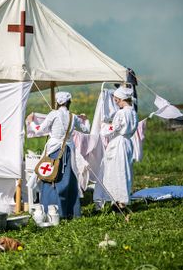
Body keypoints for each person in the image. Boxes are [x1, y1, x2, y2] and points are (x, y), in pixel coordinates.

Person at [27, 91, 90, 219]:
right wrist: (86, 120)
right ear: (69, 102)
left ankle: (53, 212)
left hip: (54, 151)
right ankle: (71, 211)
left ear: (57, 102)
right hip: (68, 151)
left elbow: (39, 130)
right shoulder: (73, 117)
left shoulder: (53, 114)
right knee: (69, 180)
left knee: (52, 179)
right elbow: (86, 130)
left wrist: (31, 122)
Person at [93, 86, 138, 210]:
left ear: (121, 99)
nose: (116, 101)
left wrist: (103, 126)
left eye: (117, 99)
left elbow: (113, 128)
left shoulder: (121, 113)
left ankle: (119, 201)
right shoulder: (133, 112)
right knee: (124, 170)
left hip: (119, 143)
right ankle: (120, 199)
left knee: (115, 171)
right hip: (128, 142)